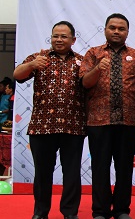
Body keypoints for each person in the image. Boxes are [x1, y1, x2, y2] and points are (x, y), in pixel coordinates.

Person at [13, 21, 86, 219]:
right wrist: (31, 65)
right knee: (42, 174)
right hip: (41, 126)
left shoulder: (82, 61)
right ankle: (40, 213)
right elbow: (17, 75)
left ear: (73, 40)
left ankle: (70, 213)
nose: (59, 39)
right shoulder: (39, 58)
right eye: (55, 36)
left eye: (63, 36)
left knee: (71, 175)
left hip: (73, 126)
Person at [80, 13, 135, 219]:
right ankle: (100, 211)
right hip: (98, 120)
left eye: (121, 28)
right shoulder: (93, 54)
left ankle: (121, 210)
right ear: (105, 30)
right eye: (113, 28)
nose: (117, 31)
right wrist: (96, 69)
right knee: (100, 167)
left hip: (128, 120)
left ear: (127, 32)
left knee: (124, 167)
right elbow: (85, 82)